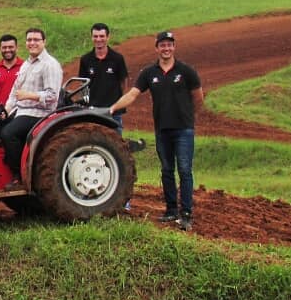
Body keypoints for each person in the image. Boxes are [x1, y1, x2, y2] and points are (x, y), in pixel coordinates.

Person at [109, 31, 204, 230]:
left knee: (185, 170)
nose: (166, 48)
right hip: (162, 129)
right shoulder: (149, 73)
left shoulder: (186, 71)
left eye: (169, 45)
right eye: (162, 45)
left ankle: (186, 214)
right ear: (157, 48)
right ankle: (171, 211)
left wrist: (189, 117)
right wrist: (113, 108)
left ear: (174, 47)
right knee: (167, 171)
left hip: (183, 130)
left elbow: (198, 97)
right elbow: (133, 94)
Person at [1, 28, 62, 187]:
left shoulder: (49, 65)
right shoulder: (26, 64)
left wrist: (29, 95)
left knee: (9, 133)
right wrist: (6, 111)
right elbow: (15, 91)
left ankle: (18, 176)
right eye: (29, 40)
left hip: (40, 114)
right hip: (21, 111)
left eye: (36, 40)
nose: (32, 43)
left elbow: (52, 96)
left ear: (44, 42)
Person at [77, 23, 129, 131]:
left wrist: (118, 102)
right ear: (91, 37)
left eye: (101, 36)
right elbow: (82, 84)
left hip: (113, 111)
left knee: (115, 142)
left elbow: (124, 82)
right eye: (95, 36)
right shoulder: (85, 59)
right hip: (93, 110)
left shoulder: (117, 59)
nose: (98, 39)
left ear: (108, 37)